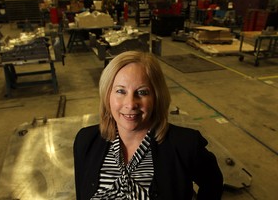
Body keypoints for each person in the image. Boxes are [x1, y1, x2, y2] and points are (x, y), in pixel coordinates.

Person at [73, 51, 224, 200]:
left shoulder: (186, 145)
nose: (131, 104)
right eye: (120, 91)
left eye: (142, 92)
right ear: (107, 96)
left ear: (157, 97)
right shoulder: (85, 141)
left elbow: (213, 183)